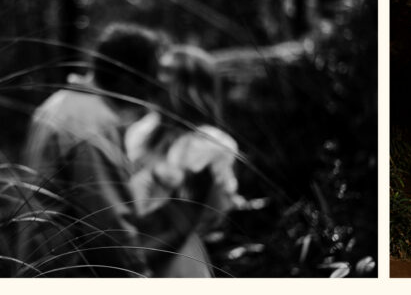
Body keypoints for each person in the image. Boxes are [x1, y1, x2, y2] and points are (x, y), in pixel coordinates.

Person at [19, 23, 166, 276]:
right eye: (147, 84)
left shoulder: (56, 104)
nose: (147, 97)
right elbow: (108, 232)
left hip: (39, 265)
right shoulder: (93, 124)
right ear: (126, 78)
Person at [123, 44, 244, 277]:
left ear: (191, 85)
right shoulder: (139, 131)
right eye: (158, 69)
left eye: (168, 72)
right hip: (132, 246)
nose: (157, 78)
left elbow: (215, 214)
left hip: (178, 255)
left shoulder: (211, 144)